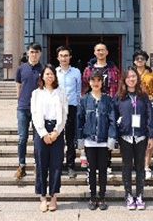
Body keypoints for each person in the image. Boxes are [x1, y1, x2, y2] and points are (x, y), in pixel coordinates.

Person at [114, 67, 153, 211]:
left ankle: (139, 195)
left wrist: (151, 136)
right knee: (126, 166)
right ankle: (128, 195)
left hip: (141, 136)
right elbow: (113, 116)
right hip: (125, 136)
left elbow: (150, 116)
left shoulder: (143, 96)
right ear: (124, 79)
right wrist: (116, 131)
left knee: (140, 166)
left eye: (133, 76)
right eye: (128, 77)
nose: (131, 79)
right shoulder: (119, 97)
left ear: (137, 79)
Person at [76, 71, 117, 211]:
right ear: (89, 82)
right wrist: (80, 140)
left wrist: (112, 138)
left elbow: (112, 120)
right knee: (92, 170)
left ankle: (102, 196)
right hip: (89, 140)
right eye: (93, 80)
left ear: (101, 82)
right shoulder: (84, 99)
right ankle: (93, 196)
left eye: (98, 80)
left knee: (103, 170)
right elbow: (79, 120)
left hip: (103, 140)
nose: (96, 83)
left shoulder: (108, 99)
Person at [31, 64, 69, 212]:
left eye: (52, 74)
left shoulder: (61, 92)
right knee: (41, 164)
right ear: (42, 76)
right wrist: (43, 133)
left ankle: (53, 197)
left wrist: (57, 131)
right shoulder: (36, 93)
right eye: (47, 74)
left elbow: (64, 113)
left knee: (56, 165)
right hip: (41, 129)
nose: (49, 76)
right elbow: (34, 114)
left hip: (56, 130)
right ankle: (42, 197)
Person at [82, 42, 121, 177]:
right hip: (92, 104)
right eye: (98, 50)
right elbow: (84, 87)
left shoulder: (113, 69)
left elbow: (118, 87)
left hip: (109, 104)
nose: (100, 52)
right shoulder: (88, 70)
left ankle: (107, 165)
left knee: (107, 132)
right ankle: (91, 167)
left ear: (107, 52)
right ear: (94, 52)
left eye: (103, 50)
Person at [14, 42, 43, 180]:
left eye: (36, 52)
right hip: (23, 107)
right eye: (32, 52)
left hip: (38, 108)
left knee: (37, 138)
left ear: (40, 54)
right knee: (22, 138)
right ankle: (21, 165)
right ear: (27, 53)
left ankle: (38, 165)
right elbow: (18, 86)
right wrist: (19, 100)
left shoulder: (43, 69)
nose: (34, 54)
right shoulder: (21, 69)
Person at [55, 46, 82, 178]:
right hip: (57, 108)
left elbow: (78, 91)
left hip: (71, 107)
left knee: (70, 138)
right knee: (58, 137)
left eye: (66, 55)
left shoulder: (76, 72)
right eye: (61, 56)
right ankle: (58, 165)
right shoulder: (54, 72)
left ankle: (71, 165)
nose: (64, 58)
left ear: (70, 57)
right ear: (58, 58)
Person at [132, 49, 153, 180]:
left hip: (148, 107)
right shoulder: (131, 74)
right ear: (134, 61)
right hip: (134, 107)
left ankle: (146, 165)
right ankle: (137, 164)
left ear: (145, 61)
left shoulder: (151, 74)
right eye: (137, 59)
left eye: (142, 59)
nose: (139, 61)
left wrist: (152, 96)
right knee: (135, 135)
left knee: (149, 136)